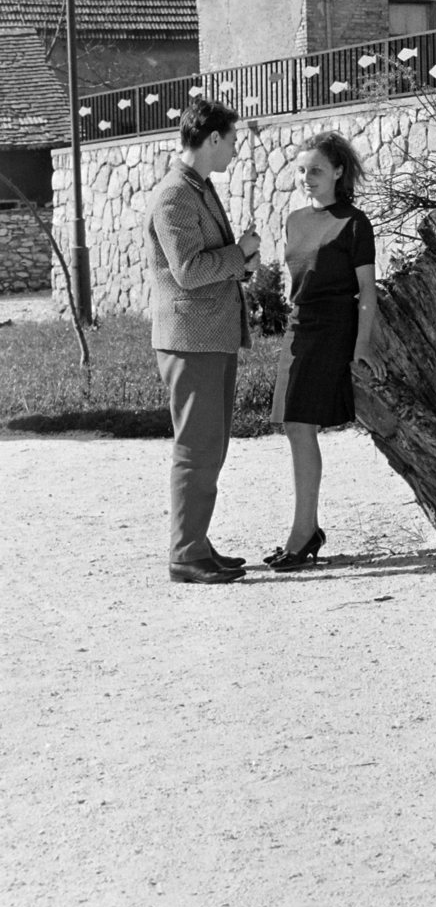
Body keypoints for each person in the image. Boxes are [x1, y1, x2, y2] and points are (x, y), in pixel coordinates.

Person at [145, 99, 261, 585]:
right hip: (191, 340)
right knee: (196, 446)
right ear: (212, 138)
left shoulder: (198, 187)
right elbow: (189, 271)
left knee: (210, 445)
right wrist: (241, 255)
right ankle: (185, 553)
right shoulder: (174, 195)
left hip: (210, 336)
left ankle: (197, 542)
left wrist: (241, 264)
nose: (234, 149)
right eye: (231, 140)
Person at [264, 131, 382, 571]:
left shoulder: (354, 222)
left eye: (315, 170)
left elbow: (367, 290)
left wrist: (362, 343)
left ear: (337, 172)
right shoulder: (294, 220)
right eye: (300, 170)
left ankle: (302, 532)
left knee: (299, 424)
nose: (306, 178)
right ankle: (306, 529)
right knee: (293, 426)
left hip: (334, 329)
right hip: (299, 327)